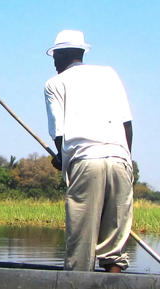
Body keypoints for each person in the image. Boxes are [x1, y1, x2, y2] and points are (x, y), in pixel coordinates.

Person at [44, 29, 134, 272]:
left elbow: (59, 134)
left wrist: (62, 159)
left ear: (61, 55)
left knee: (81, 242)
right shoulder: (109, 74)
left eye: (54, 56)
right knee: (114, 244)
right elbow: (127, 124)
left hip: (86, 162)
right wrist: (127, 161)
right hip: (121, 160)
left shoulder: (54, 84)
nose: (53, 62)